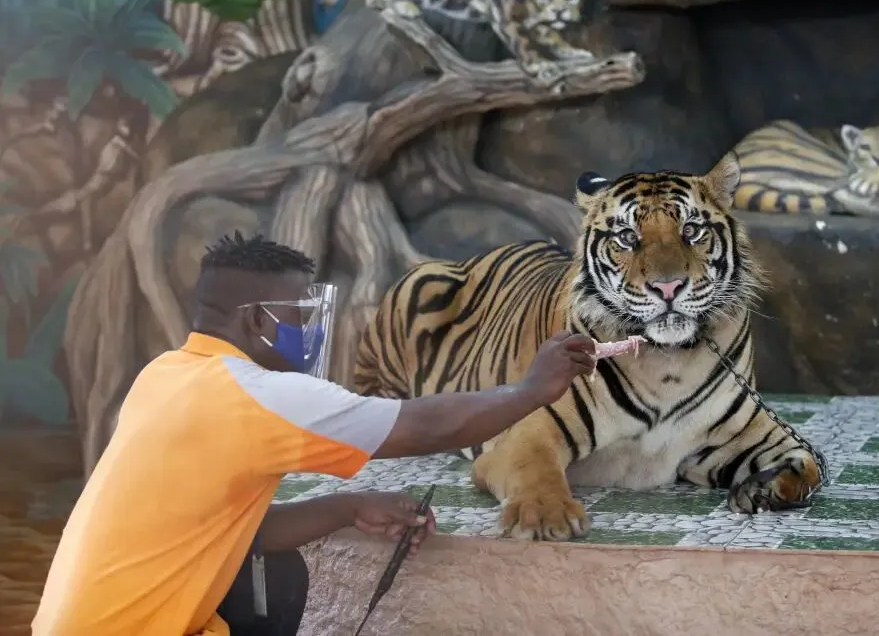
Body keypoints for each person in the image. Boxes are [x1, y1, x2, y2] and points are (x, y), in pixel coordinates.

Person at [33, 232, 598, 636]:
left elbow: (233, 531)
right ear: (258, 320)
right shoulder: (257, 394)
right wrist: (530, 390)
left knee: (276, 574)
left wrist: (348, 508)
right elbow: (422, 426)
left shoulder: (164, 374)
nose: (311, 328)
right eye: (301, 313)